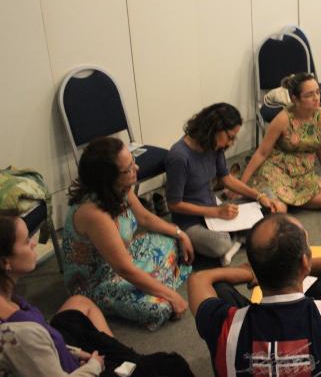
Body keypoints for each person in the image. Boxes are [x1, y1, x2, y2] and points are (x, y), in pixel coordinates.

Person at [0, 212, 194, 376]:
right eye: (26, 242)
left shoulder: (12, 303)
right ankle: (128, 362)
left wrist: (77, 353)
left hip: (63, 354)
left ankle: (125, 359)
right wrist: (94, 365)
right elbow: (125, 269)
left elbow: (47, 342)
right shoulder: (20, 335)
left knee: (78, 305)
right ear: (5, 262)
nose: (34, 244)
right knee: (173, 366)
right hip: (79, 365)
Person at [189, 213, 321, 377]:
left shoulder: (224, 327)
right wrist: (298, 263)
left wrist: (250, 273)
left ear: (253, 265)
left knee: (218, 287)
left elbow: (199, 279)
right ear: (305, 263)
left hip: (245, 319)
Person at [63, 137, 193, 331]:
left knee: (171, 240)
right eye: (128, 168)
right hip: (99, 282)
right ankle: (158, 282)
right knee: (162, 307)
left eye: (133, 161)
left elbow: (145, 218)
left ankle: (154, 280)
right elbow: (124, 269)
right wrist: (171, 295)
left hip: (124, 256)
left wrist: (180, 233)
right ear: (108, 178)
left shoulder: (120, 188)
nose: (136, 168)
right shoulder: (94, 213)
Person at [166, 103, 285, 265]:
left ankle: (237, 238)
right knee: (220, 244)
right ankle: (240, 238)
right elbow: (174, 204)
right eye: (230, 137)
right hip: (192, 221)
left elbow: (226, 179)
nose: (231, 143)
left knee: (269, 199)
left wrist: (259, 196)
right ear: (215, 128)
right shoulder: (179, 157)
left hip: (215, 210)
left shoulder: (213, 146)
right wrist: (215, 212)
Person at [241, 73, 321, 209]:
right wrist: (241, 185)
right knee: (279, 208)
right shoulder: (283, 119)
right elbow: (262, 153)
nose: (316, 98)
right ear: (295, 99)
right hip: (277, 169)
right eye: (309, 95)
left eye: (318, 92)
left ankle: (288, 200)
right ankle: (283, 199)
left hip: (304, 173)